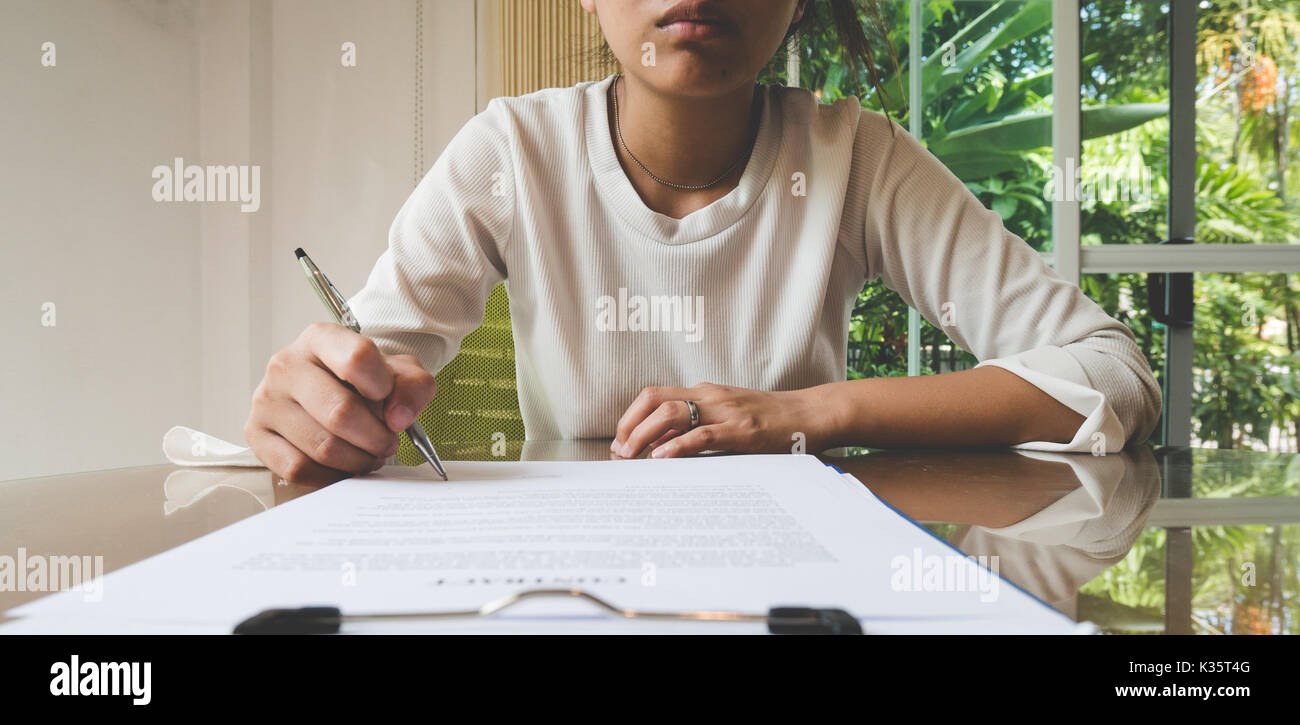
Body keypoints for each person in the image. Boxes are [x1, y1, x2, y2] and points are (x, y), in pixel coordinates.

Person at [244, 0, 1161, 484]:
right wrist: (323, 407)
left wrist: (806, 413)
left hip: (794, 585)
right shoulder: (513, 153)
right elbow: (363, 382)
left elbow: (1110, 373)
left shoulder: (855, 159)